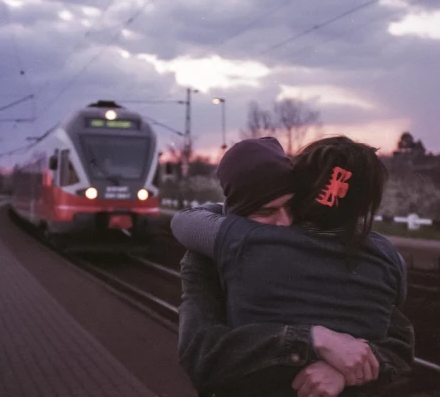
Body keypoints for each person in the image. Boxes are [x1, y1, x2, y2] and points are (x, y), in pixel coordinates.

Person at [175, 137, 413, 397]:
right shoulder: (207, 256)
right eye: (265, 212)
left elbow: (397, 345)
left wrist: (342, 369)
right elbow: (202, 356)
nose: (285, 224)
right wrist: (313, 341)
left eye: (292, 206)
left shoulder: (244, 239)